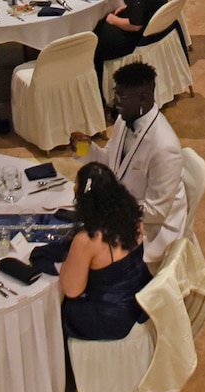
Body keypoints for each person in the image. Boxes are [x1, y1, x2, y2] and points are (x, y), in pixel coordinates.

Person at [76, 62, 188, 266]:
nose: (115, 102)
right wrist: (84, 149)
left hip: (151, 232)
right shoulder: (124, 120)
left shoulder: (165, 147)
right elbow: (110, 166)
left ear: (143, 98)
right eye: (115, 93)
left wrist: (110, 205)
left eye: (122, 97)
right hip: (125, 214)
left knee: (87, 252)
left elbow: (156, 212)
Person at [41, 163, 151, 341]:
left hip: (111, 318)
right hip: (139, 301)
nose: (74, 190)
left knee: (54, 312)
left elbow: (72, 290)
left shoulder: (88, 240)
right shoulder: (134, 217)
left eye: (76, 186)